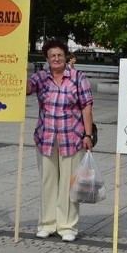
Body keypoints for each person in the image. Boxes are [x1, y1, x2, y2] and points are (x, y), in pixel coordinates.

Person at [26, 39, 95, 242]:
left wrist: (88, 135)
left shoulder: (77, 78)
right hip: (46, 138)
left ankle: (67, 226)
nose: (56, 59)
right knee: (47, 182)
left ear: (66, 57)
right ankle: (47, 224)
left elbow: (86, 107)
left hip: (71, 138)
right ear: (46, 58)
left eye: (60, 55)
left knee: (68, 184)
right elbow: (26, 89)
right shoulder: (41, 78)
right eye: (52, 56)